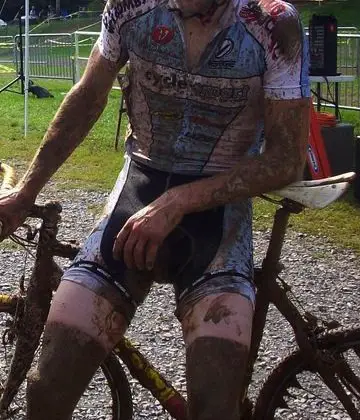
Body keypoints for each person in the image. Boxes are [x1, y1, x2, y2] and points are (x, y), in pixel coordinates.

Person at [0, 0, 310, 418]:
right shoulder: (131, 5)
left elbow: (287, 157)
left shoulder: (271, 22)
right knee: (48, 388)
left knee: (216, 405)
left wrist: (179, 200)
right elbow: (88, 97)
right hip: (137, 193)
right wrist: (25, 192)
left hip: (218, 217)